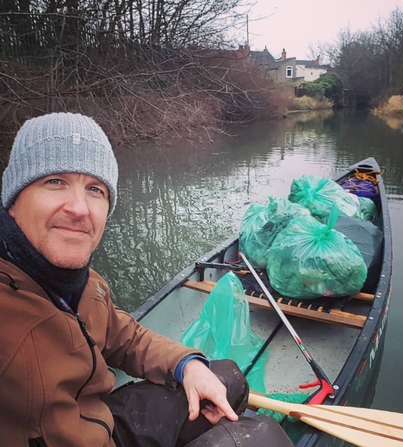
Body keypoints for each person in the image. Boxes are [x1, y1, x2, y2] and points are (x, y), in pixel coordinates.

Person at [0, 112, 294, 447]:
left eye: (95, 189)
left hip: (100, 424)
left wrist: (186, 365)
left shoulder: (79, 282)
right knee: (264, 439)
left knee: (225, 378)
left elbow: (123, 337)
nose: (79, 208)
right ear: (13, 199)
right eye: (54, 182)